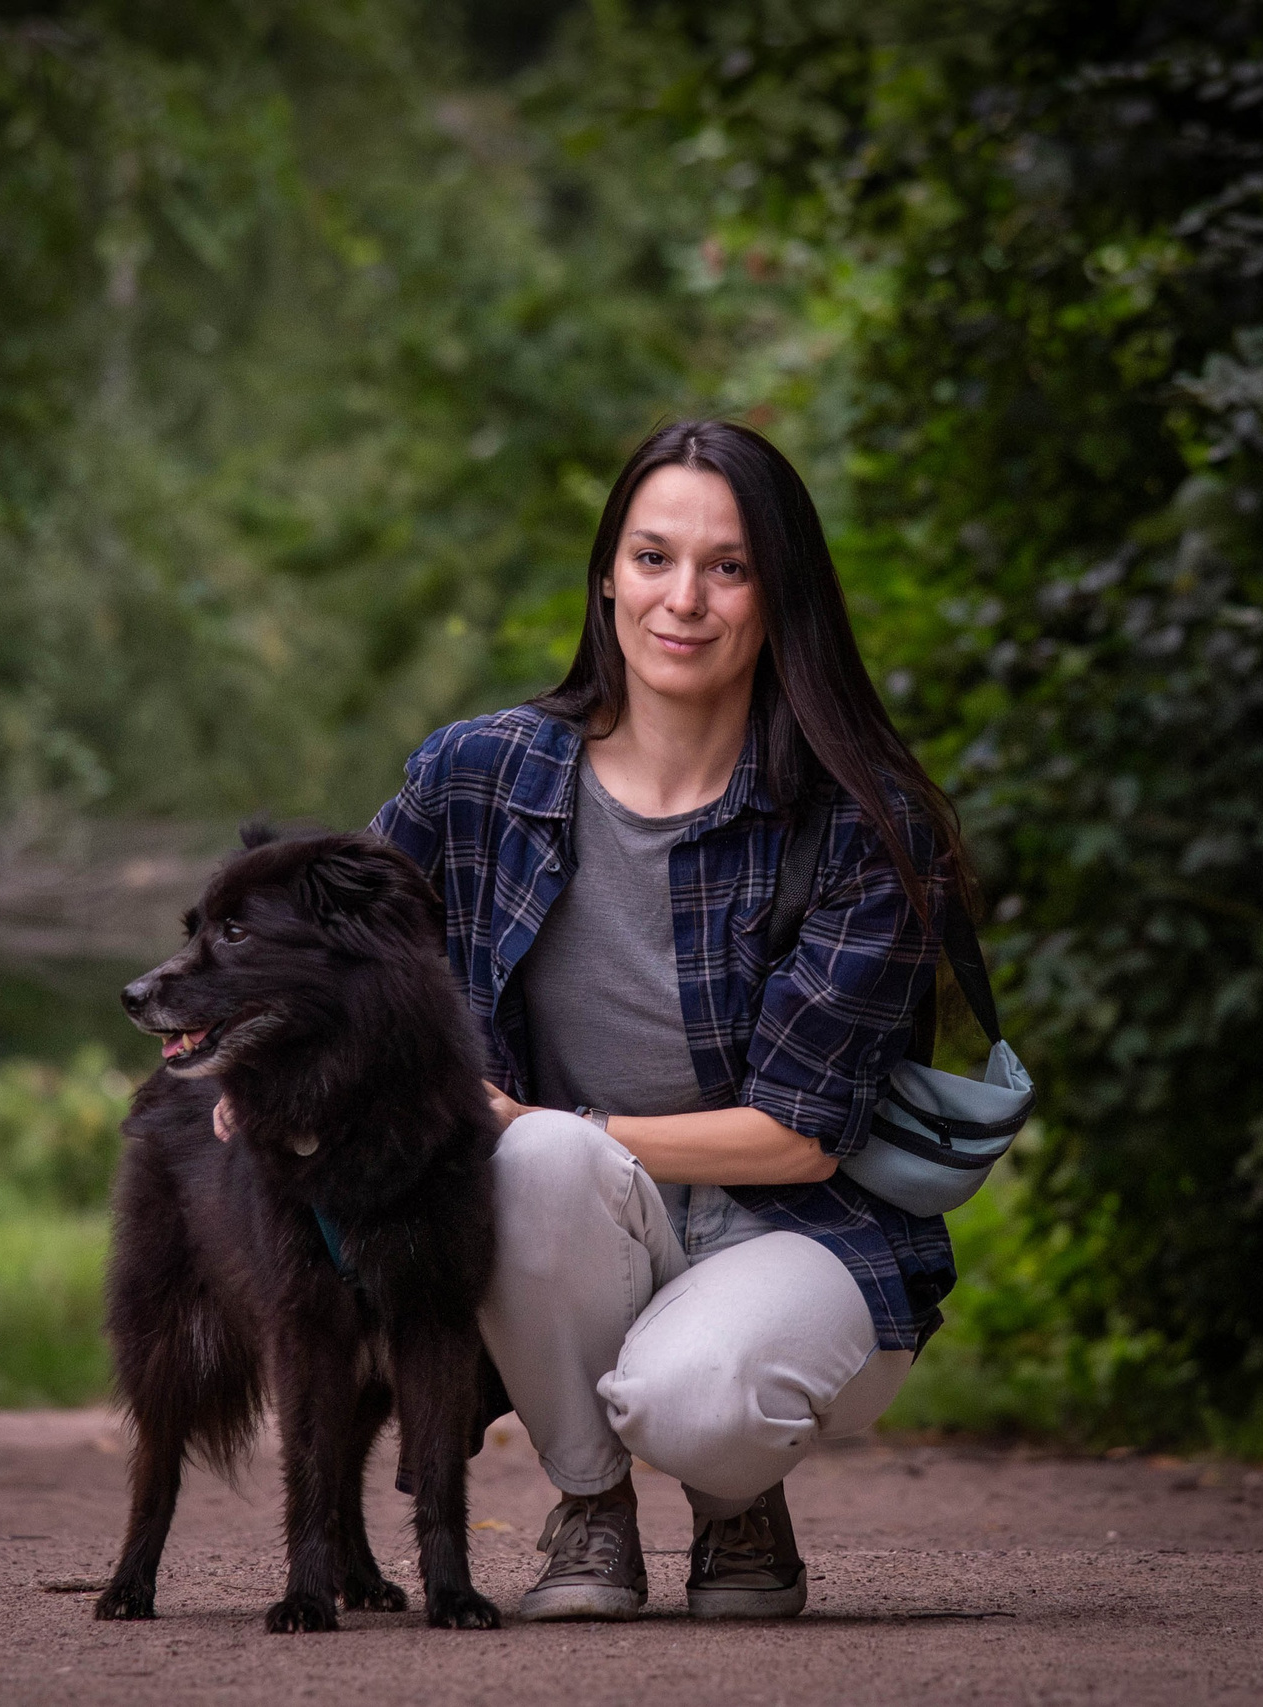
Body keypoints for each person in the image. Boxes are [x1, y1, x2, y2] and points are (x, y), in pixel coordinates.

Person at [367, 418, 966, 1622]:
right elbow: (339, 943)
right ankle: (590, 1513)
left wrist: (564, 1121)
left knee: (685, 1379)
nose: (682, 599)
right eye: (652, 559)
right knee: (530, 1159)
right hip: (564, 1216)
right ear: (606, 576)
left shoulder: (856, 824)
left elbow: (802, 1136)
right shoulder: (478, 777)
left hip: (804, 1232)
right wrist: (239, 1065)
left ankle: (734, 1494)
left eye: (727, 567)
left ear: (777, 592)